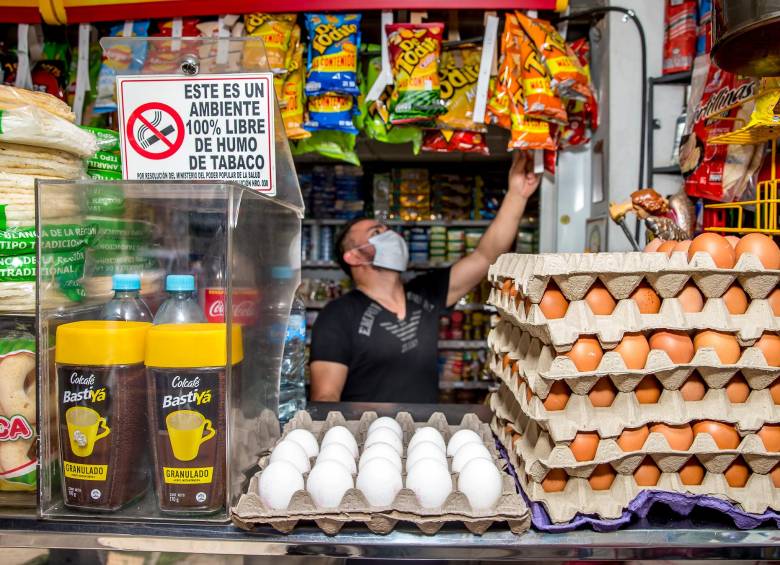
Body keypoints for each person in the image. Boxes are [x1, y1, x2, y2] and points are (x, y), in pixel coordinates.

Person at [310, 151, 541, 403]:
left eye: (388, 229)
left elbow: (486, 256)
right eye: (377, 231)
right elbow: (325, 397)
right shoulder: (337, 316)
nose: (390, 235)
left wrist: (517, 195)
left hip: (425, 434)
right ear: (353, 257)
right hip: (368, 437)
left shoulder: (425, 292)